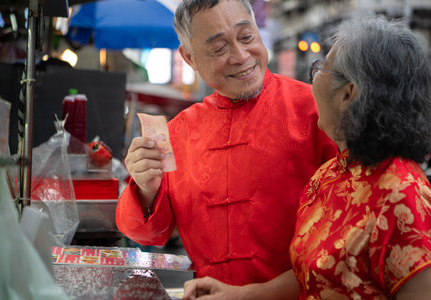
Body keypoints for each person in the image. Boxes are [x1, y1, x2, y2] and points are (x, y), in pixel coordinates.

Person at [182, 14, 431, 299]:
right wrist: (240, 294)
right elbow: (313, 274)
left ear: (348, 94)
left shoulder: (403, 194)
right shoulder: (331, 175)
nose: (313, 80)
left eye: (321, 69)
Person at [116, 0, 337, 286]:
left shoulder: (316, 109)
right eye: (219, 48)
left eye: (247, 37)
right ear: (189, 58)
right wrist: (146, 187)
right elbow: (147, 234)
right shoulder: (178, 133)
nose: (241, 55)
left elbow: (349, 234)